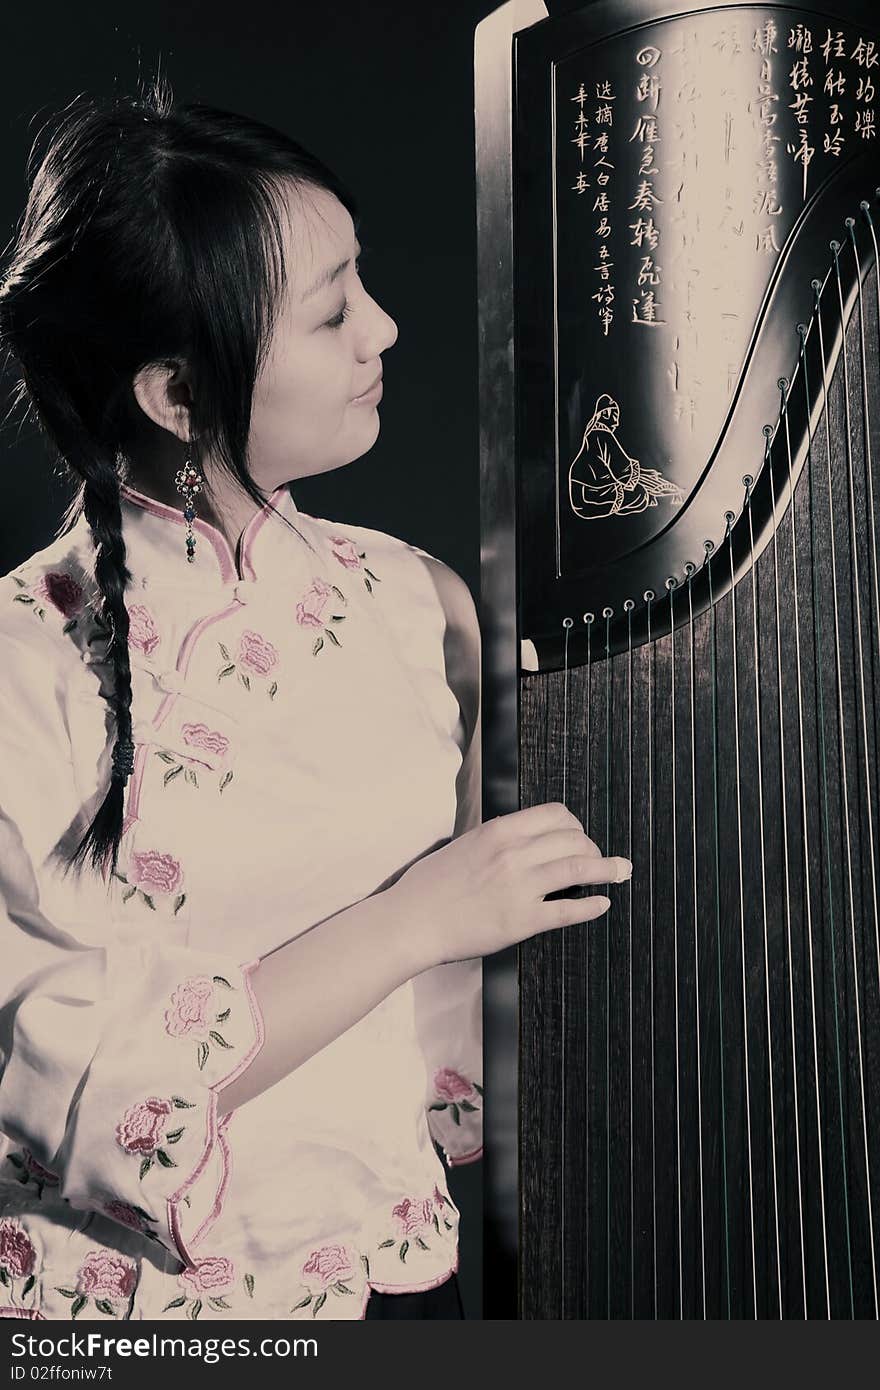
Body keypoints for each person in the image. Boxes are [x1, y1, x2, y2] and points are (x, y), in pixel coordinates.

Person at [0, 77, 625, 1322]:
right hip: (131, 1320)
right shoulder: (23, 662)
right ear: (177, 394)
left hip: (409, 1273)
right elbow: (51, 1070)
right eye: (333, 311)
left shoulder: (417, 600)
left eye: (365, 285)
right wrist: (413, 920)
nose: (384, 330)